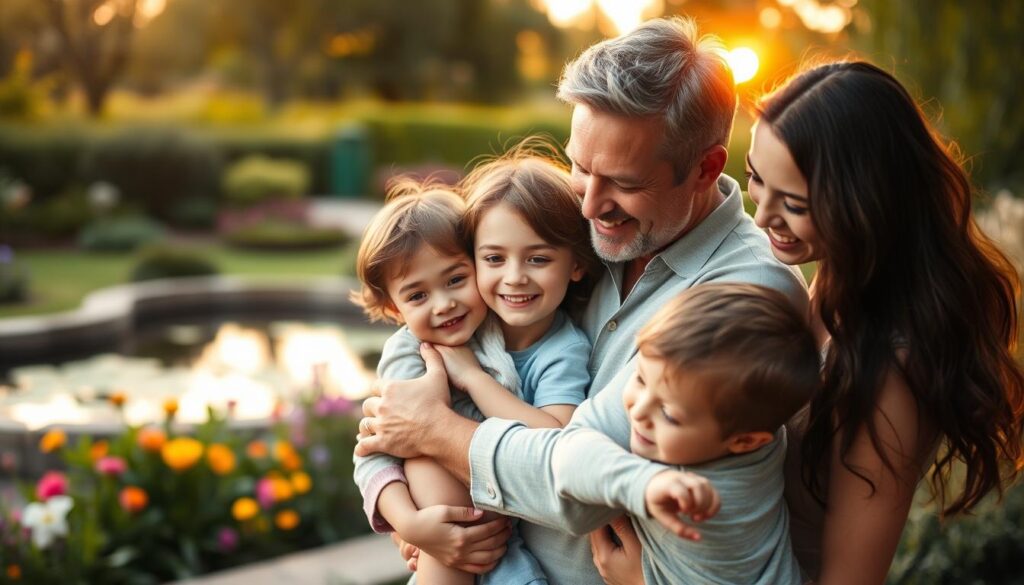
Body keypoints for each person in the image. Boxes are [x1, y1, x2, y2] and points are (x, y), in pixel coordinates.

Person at [355, 16, 808, 584]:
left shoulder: (744, 296)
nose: (590, 205)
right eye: (579, 166)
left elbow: (581, 482)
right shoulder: (593, 237)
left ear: (705, 168)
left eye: (622, 181)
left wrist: (432, 433)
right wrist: (416, 509)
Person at [740, 60, 1024, 584]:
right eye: (756, 178)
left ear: (863, 201)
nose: (761, 217)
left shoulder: (889, 371)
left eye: (795, 203)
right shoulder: (836, 277)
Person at [352, 154, 600, 584]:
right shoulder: (414, 351)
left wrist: (472, 378)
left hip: (500, 548)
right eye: (495, 259)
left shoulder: (557, 348)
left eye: (454, 280)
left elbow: (553, 442)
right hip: (451, 547)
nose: (444, 304)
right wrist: (411, 526)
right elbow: (375, 454)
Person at [551, 283, 820, 584]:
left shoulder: (697, 498)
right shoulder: (751, 426)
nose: (638, 411)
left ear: (745, 441)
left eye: (668, 413)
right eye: (640, 378)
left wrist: (644, 483)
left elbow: (569, 460)